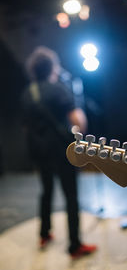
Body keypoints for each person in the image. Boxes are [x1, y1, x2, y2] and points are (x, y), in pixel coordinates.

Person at [21, 46, 97, 258]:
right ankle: (75, 246)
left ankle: (44, 234)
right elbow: (78, 123)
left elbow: (25, 127)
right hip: (62, 151)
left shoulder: (27, 93)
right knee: (71, 197)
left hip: (39, 152)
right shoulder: (59, 89)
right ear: (52, 67)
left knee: (46, 192)